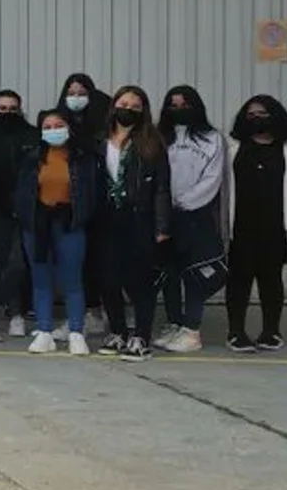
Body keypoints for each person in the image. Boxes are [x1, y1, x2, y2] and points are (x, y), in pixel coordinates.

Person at [222, 96, 287, 352]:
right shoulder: (231, 145)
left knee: (271, 280)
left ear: (276, 116)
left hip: (276, 226)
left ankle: (271, 332)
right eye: (251, 114)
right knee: (238, 281)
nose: (256, 119)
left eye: (263, 113)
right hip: (240, 226)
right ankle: (236, 332)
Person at [92, 86, 171, 361]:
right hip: (106, 219)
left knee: (139, 282)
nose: (128, 109)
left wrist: (162, 227)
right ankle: (117, 331)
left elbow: (162, 187)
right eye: (124, 103)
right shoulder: (99, 141)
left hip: (139, 218)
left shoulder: (151, 143)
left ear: (143, 111)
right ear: (113, 106)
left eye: (135, 106)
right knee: (108, 279)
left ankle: (141, 336)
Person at [15, 109, 100, 355]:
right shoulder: (32, 158)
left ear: (69, 128)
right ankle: (44, 331)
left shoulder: (83, 158)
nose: (53, 131)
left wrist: (81, 216)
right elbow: (22, 192)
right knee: (41, 279)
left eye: (58, 125)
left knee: (72, 280)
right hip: (38, 224)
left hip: (70, 223)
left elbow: (92, 192)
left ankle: (76, 331)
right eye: (48, 127)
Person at [156, 86, 225, 354]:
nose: (179, 109)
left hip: (195, 214)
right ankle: (174, 323)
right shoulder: (159, 137)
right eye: (172, 105)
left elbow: (212, 178)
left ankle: (191, 329)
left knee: (194, 273)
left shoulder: (211, 138)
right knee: (169, 273)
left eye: (184, 104)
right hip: (163, 214)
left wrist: (185, 203)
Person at [54, 72, 111, 340]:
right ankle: (85, 313)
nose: (76, 98)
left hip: (100, 202)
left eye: (82, 93)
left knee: (101, 261)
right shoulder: (58, 122)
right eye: (71, 93)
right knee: (76, 262)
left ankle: (104, 312)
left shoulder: (103, 126)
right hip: (69, 205)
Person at [0, 90, 36, 337]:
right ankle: (15, 315)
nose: (7, 113)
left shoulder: (33, 136)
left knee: (20, 263)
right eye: (2, 108)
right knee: (8, 263)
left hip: (28, 210)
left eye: (12, 108)